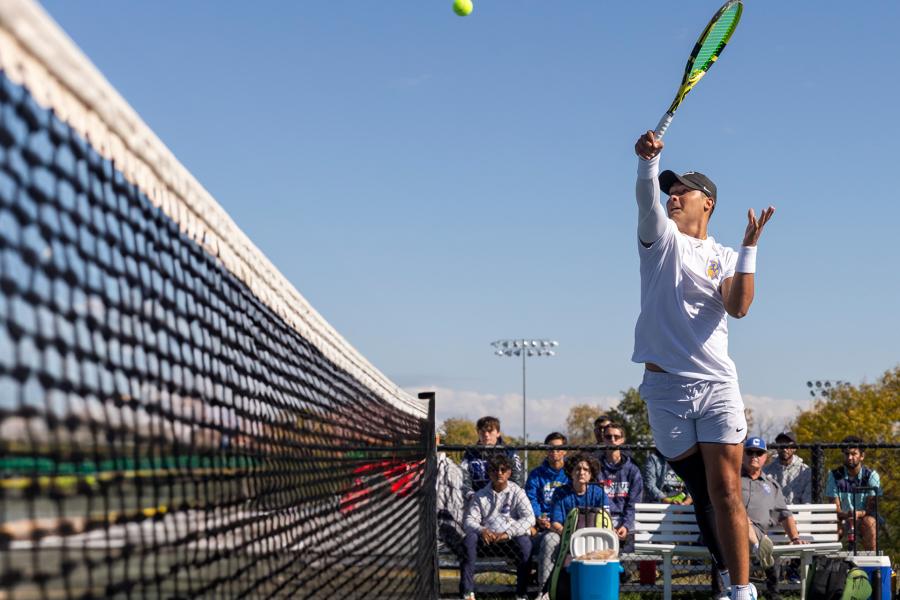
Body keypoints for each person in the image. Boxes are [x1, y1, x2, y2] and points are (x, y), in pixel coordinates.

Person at [632, 130, 775, 600]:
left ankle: (740, 590)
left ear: (707, 203)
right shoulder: (661, 240)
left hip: (716, 385)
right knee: (703, 490)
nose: (672, 196)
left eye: (682, 191)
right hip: (665, 391)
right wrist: (648, 164)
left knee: (725, 490)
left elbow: (738, 307)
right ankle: (739, 556)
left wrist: (750, 246)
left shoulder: (725, 256)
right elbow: (644, 198)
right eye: (669, 190)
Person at [724, 437, 809, 600]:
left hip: (758, 535)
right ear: (742, 455)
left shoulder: (772, 486)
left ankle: (770, 593)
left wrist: (795, 538)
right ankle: (758, 549)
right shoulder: (731, 479)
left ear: (765, 458)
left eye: (759, 453)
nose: (754, 456)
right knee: (739, 519)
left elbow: (784, 514)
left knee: (762, 542)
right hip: (728, 533)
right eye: (749, 452)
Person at [461, 454, 535, 600]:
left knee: (525, 542)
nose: (499, 473)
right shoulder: (480, 495)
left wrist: (508, 533)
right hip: (487, 540)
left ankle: (521, 594)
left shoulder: (517, 492)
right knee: (469, 539)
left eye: (503, 470)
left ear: (509, 473)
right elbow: (469, 520)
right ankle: (467, 593)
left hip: (509, 540)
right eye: (494, 470)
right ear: (489, 473)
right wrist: (482, 530)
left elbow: (530, 518)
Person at [536, 452, 607, 598]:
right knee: (549, 539)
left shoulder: (598, 492)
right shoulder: (560, 492)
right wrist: (572, 538)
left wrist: (583, 538)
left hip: (592, 539)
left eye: (586, 469)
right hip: (565, 537)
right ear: (571, 472)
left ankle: (596, 591)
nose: (581, 472)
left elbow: (605, 520)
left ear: (591, 473)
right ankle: (545, 592)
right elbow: (555, 523)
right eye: (577, 469)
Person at [825, 435, 883, 552]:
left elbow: (871, 508)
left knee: (869, 522)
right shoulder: (835, 475)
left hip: (865, 518)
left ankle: (872, 562)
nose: (850, 457)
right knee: (830, 523)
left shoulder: (871, 476)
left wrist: (857, 514)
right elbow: (834, 508)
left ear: (862, 456)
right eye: (847, 454)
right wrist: (847, 515)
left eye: (853, 454)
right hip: (842, 518)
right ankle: (826, 562)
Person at [597, 423, 643, 550]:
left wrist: (626, 525)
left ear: (622, 440)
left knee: (644, 538)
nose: (612, 440)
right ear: (603, 439)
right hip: (601, 518)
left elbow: (634, 503)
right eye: (608, 437)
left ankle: (630, 569)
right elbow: (593, 501)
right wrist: (607, 523)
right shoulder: (595, 468)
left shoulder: (633, 470)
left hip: (625, 518)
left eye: (616, 437)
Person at [461, 416, 524, 496]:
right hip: (476, 498)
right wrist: (470, 494)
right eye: (482, 431)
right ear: (478, 433)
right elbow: (463, 476)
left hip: (505, 499)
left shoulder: (509, 452)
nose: (486, 435)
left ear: (498, 433)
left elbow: (517, 479)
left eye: (490, 431)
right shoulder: (470, 453)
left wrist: (507, 496)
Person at [525, 432, 570, 532]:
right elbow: (531, 498)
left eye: (558, 448)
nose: (554, 451)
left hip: (566, 520)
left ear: (565, 451)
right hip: (543, 521)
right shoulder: (536, 474)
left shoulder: (571, 472)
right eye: (550, 448)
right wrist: (539, 516)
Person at [764, 431, 811, 504]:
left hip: (798, 513)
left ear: (794, 448)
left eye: (787, 444)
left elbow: (807, 502)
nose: (784, 448)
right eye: (781, 444)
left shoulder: (805, 471)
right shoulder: (766, 471)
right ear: (777, 447)